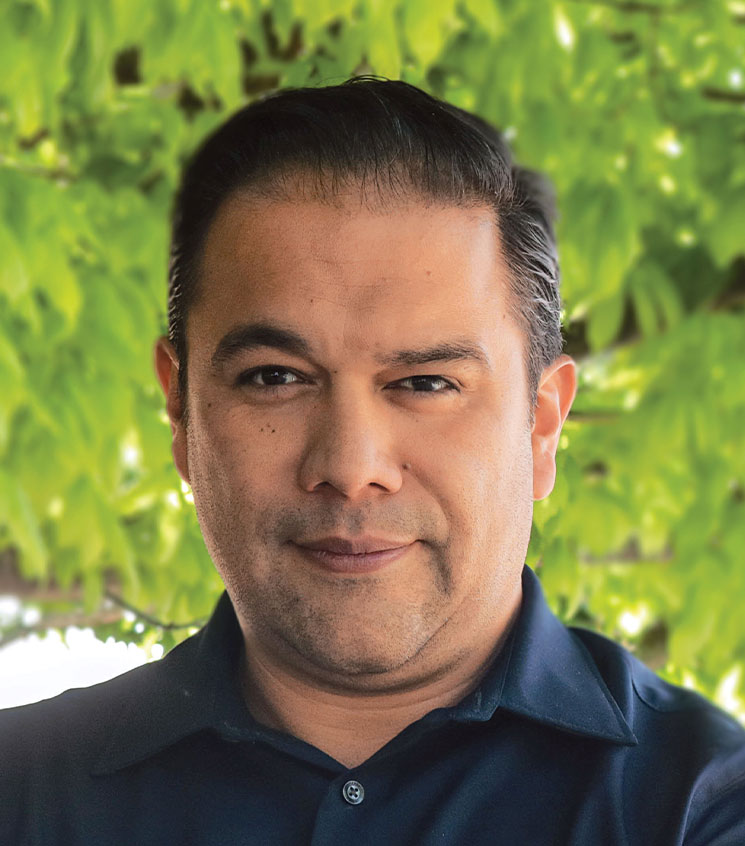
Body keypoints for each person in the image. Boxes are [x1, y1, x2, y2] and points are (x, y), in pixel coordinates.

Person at [1, 77, 744, 845]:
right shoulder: (19, 793)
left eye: (425, 383)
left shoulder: (702, 809)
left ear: (542, 426)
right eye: (275, 377)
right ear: (181, 412)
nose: (351, 468)